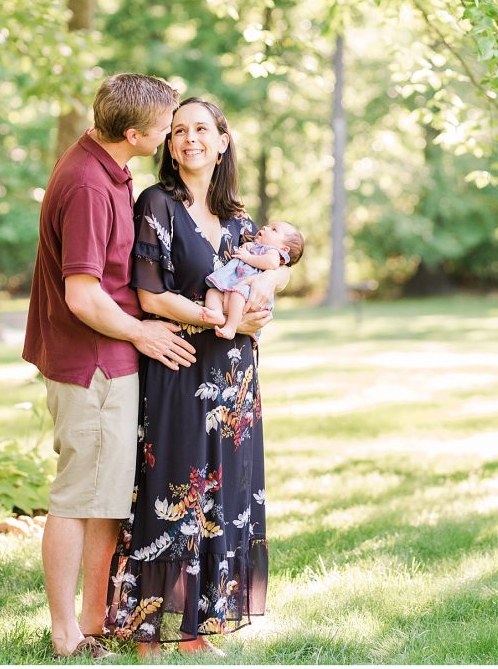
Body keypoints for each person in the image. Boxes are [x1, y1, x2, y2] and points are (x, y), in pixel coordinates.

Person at [23, 74, 200, 659]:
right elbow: (83, 295)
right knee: (78, 498)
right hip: (90, 363)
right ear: (133, 133)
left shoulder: (105, 165)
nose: (172, 135)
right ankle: (64, 634)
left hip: (109, 359)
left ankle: (94, 620)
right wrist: (142, 334)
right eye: (165, 127)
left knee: (106, 497)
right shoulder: (88, 186)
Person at [105, 97, 288, 656]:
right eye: (179, 130)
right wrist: (206, 317)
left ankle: (197, 629)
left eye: (202, 129)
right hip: (178, 367)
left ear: (223, 140)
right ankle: (144, 629)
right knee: (168, 489)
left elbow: (261, 288)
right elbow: (147, 293)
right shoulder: (156, 204)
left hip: (233, 379)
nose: (190, 139)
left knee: (223, 495)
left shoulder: (242, 221)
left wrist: (259, 311)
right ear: (168, 143)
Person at [204, 220, 305, 339]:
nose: (265, 228)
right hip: (233, 288)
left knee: (237, 295)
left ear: (284, 249)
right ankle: (216, 312)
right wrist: (248, 246)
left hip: (247, 292)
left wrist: (248, 257)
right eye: (267, 226)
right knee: (212, 292)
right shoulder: (256, 246)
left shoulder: (273, 252)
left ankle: (231, 327)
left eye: (274, 230)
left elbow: (271, 263)